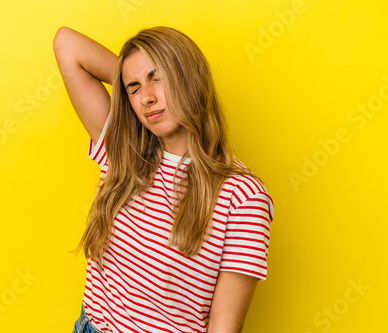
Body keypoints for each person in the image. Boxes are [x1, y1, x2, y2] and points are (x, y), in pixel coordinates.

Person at [53, 25, 274, 333]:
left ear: (189, 78)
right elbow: (67, 44)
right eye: (133, 87)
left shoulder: (242, 197)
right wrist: (131, 79)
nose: (146, 98)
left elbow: (223, 328)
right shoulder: (124, 154)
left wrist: (146, 79)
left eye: (157, 77)